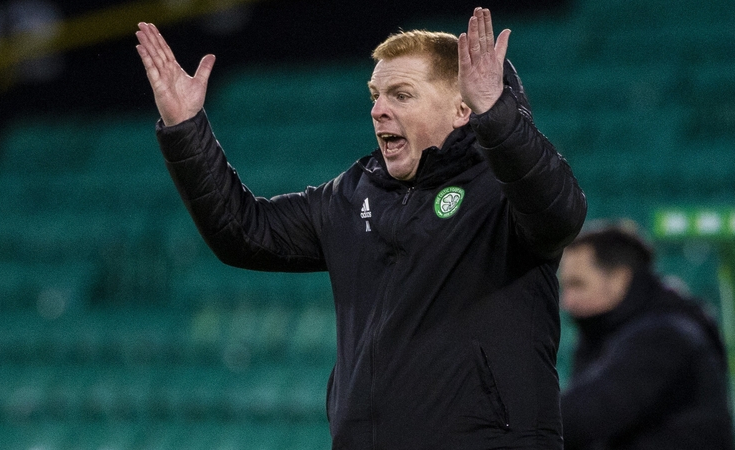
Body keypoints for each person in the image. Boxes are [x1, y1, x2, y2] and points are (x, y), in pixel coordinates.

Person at [136, 7, 586, 449]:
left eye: (401, 95)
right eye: (375, 94)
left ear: (462, 108)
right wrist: (185, 126)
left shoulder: (504, 188)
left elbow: (559, 214)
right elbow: (244, 233)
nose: (379, 110)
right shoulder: (352, 194)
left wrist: (498, 113)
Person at [559, 222, 734, 449]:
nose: (567, 301)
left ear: (619, 279)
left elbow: (587, 416)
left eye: (577, 285)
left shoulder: (667, 335)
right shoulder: (606, 333)